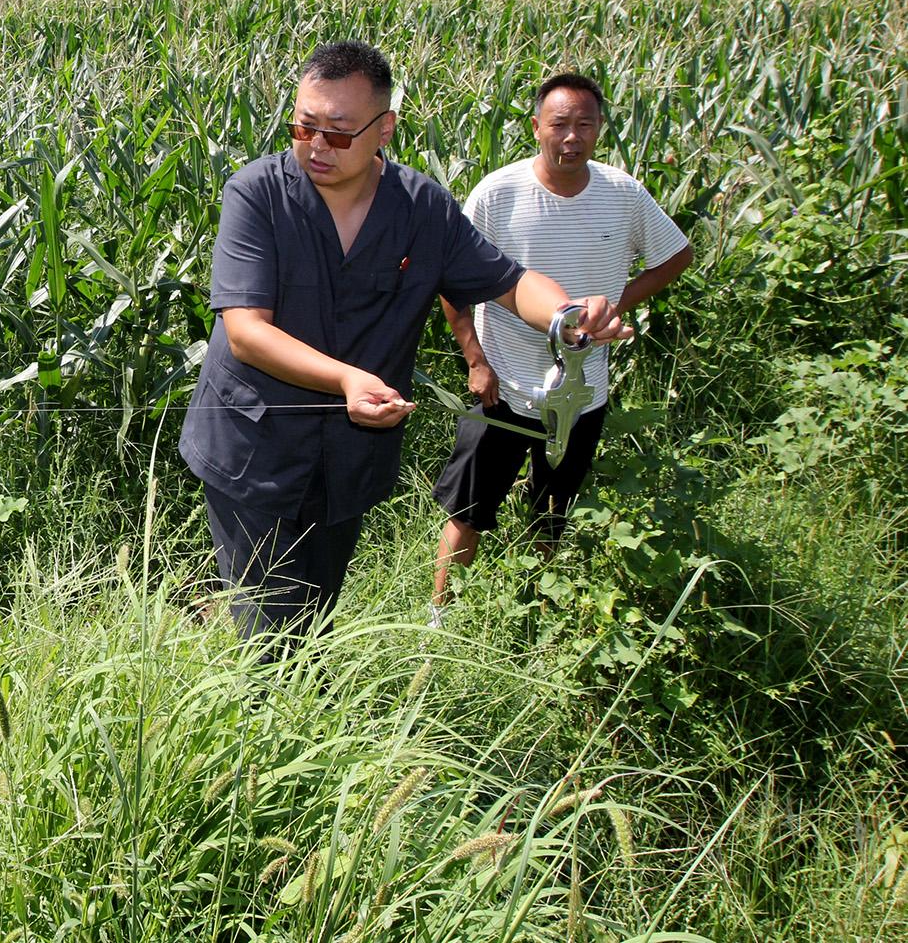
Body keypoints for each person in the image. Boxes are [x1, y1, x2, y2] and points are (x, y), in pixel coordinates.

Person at [178, 41, 630, 645]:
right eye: (303, 127)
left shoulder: (422, 209)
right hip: (252, 446)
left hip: (348, 455)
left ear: (383, 129)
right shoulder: (257, 194)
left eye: (338, 133)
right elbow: (246, 332)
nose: (316, 146)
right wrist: (345, 378)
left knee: (314, 612)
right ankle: (269, 696)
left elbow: (510, 282)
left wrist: (567, 316)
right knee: (269, 629)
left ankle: (299, 683)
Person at [428, 73, 692, 623]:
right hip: (503, 388)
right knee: (468, 509)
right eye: (560, 125)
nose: (572, 137)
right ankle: (440, 617)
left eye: (585, 125)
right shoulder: (497, 194)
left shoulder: (623, 194)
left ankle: (537, 613)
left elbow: (676, 255)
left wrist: (615, 304)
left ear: (600, 129)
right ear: (536, 128)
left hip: (581, 393)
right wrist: (475, 360)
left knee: (552, 510)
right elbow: (452, 279)